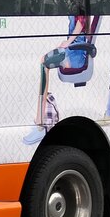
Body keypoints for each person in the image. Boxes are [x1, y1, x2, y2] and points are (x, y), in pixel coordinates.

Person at [22, 14, 89, 145]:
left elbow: (82, 22)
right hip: (73, 51)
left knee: (44, 63)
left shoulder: (80, 3)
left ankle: (40, 124)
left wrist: (67, 42)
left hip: (75, 55)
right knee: (44, 61)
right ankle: (40, 121)